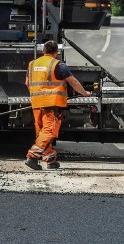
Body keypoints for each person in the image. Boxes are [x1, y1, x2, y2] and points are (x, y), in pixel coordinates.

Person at [24, 40, 90, 170]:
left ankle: (50, 159)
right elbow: (74, 82)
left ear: (43, 51)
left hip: (37, 103)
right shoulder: (58, 65)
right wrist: (85, 93)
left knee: (42, 133)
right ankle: (32, 157)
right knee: (49, 131)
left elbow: (27, 83)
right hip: (51, 104)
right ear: (56, 52)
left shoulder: (32, 64)